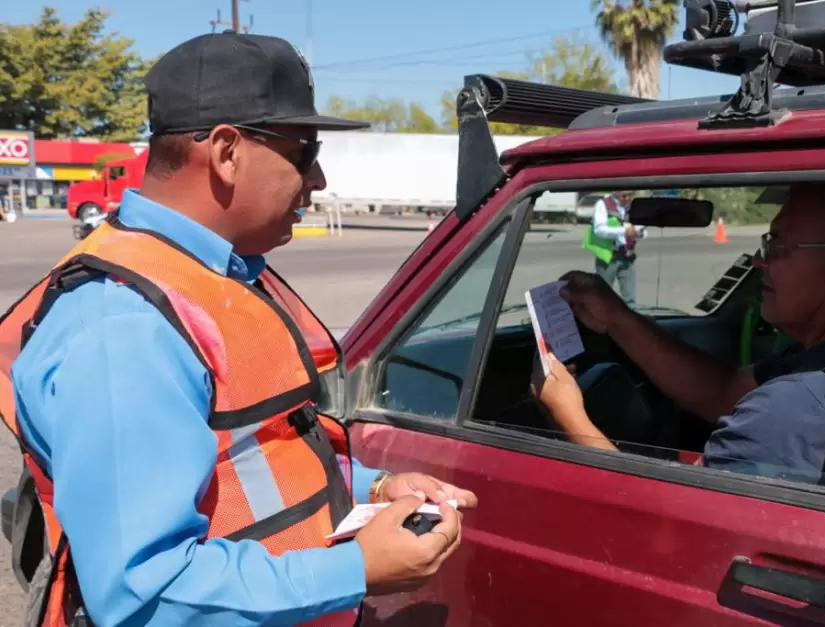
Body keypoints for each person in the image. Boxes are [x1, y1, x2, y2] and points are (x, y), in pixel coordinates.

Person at [0, 32, 476, 626]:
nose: (319, 179)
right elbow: (144, 594)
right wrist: (356, 570)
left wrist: (376, 489)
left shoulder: (214, 274)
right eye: (305, 151)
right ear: (226, 151)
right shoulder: (123, 328)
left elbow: (254, 459)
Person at [534, 182, 825, 484]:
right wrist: (617, 318)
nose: (758, 260)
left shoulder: (788, 414)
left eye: (778, 246)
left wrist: (568, 416)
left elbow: (668, 529)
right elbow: (725, 391)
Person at [581, 190, 647, 306]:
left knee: (630, 300)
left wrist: (639, 233)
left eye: (630, 195)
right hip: (608, 257)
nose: (627, 199)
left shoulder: (633, 206)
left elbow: (643, 230)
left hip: (627, 256)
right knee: (603, 297)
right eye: (624, 196)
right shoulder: (603, 204)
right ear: (615, 193)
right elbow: (599, 230)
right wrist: (624, 231)